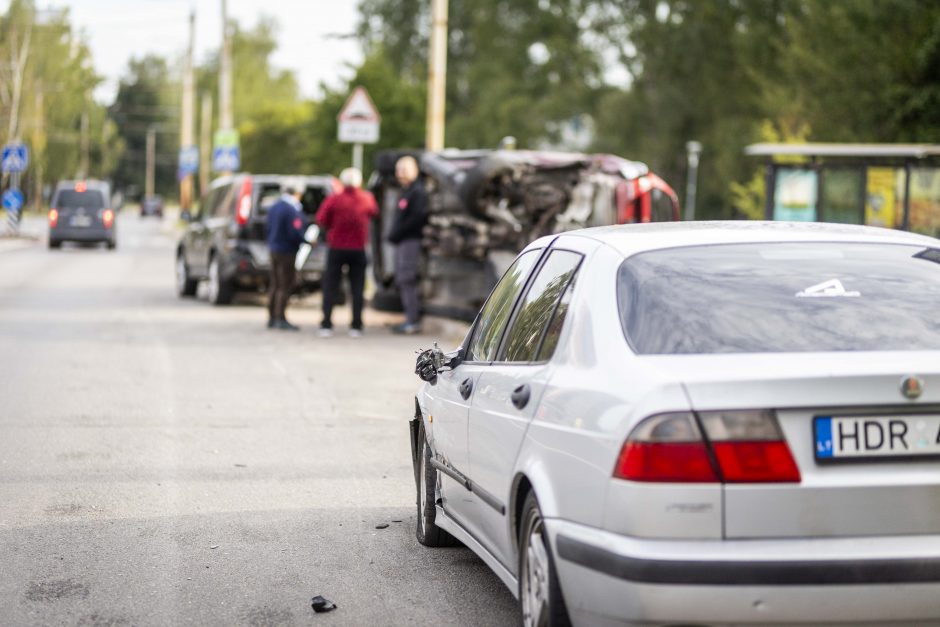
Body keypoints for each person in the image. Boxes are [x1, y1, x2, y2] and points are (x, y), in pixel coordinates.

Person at [315, 167, 378, 338]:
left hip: (336, 247)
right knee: (357, 288)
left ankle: (326, 324)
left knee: (330, 286)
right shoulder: (366, 198)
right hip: (358, 249)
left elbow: (321, 219)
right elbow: (374, 213)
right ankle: (356, 325)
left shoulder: (334, 199)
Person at [387, 155, 427, 335]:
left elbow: (417, 218)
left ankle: (412, 320)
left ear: (414, 171)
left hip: (410, 241)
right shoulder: (406, 191)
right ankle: (408, 318)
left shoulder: (417, 192)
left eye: (403, 169)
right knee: (402, 279)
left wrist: (397, 232)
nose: (399, 174)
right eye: (398, 170)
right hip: (403, 241)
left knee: (406, 278)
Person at [265, 177, 307, 331]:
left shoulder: (274, 207)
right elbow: (295, 232)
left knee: (275, 284)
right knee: (285, 284)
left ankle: (272, 317)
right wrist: (305, 240)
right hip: (287, 251)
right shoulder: (292, 209)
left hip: (274, 248)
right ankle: (280, 317)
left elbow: (267, 227)